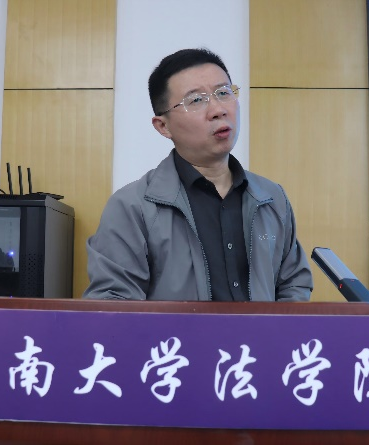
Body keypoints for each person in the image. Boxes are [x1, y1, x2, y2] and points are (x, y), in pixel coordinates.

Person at [83, 48, 312, 302]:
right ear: (163, 126)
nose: (218, 110)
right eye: (196, 100)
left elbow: (293, 285)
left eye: (223, 93)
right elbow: (114, 302)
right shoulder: (132, 207)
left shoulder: (271, 198)